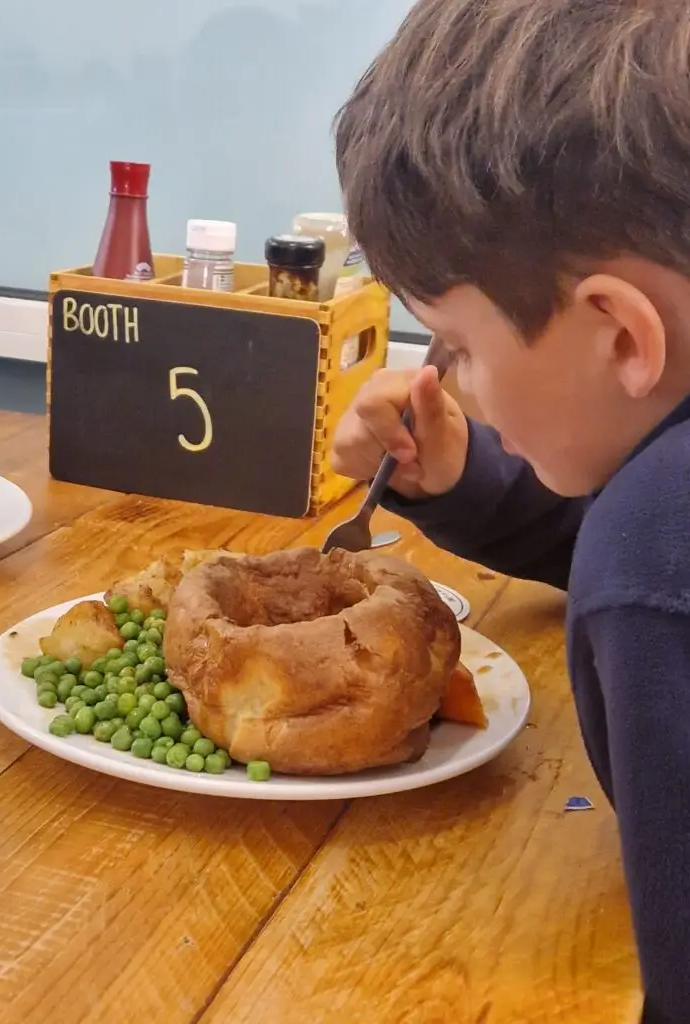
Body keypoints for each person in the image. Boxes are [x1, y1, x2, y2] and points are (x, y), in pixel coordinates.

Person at [330, 1, 690, 1021]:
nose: (456, 384)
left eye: (459, 347)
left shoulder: (653, 559)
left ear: (620, 334)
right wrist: (466, 477)